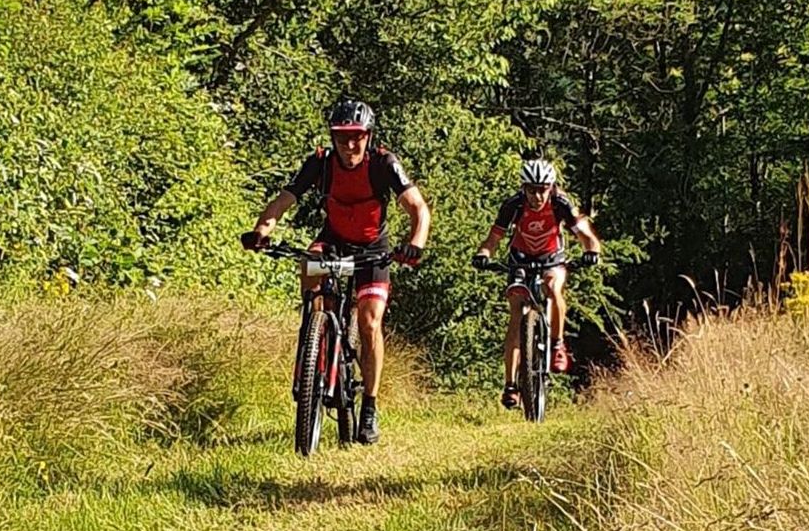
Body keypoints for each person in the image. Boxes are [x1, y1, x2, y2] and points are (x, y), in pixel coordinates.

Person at [243, 98, 430, 444]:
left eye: (357, 136)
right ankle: (314, 336)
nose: (349, 144)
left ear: (368, 136)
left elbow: (418, 208)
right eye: (342, 136)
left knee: (370, 322)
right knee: (308, 265)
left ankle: (369, 407)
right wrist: (262, 230)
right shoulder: (321, 164)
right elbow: (284, 199)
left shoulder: (383, 164)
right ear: (333, 137)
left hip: (373, 249)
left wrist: (414, 244)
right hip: (333, 240)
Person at [471, 157, 602, 410]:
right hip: (519, 259)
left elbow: (585, 235)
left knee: (553, 287)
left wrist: (592, 251)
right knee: (516, 310)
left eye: (542, 189)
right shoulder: (513, 205)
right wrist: (483, 255)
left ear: (551, 187)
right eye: (531, 189)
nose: (537, 196)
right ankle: (510, 384)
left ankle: (558, 344)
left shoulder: (561, 203)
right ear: (524, 188)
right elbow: (493, 238)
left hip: (552, 258)